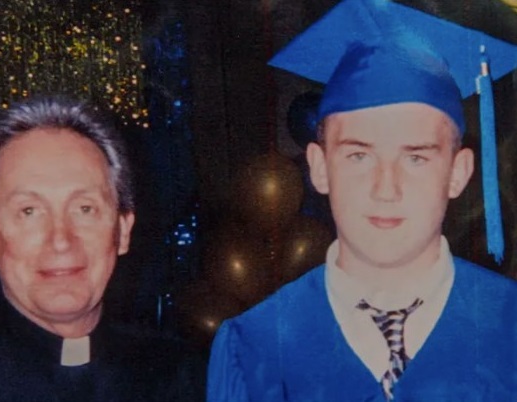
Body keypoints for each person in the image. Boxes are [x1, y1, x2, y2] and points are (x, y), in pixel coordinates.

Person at [207, 0, 517, 401]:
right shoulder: (253, 349)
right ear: (319, 167)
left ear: (458, 172)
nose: (385, 188)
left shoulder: (509, 328)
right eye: (359, 155)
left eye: (416, 157)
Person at [0, 96, 204, 401]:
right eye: (29, 211)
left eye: (85, 209)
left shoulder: (185, 377)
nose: (61, 240)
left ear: (123, 229)